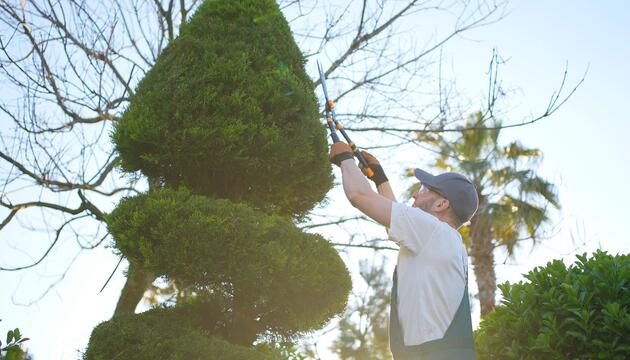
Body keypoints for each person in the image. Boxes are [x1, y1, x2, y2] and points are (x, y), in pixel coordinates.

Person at [329, 141, 479, 360]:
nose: (415, 196)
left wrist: (345, 159)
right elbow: (395, 221)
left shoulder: (432, 231)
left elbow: (358, 195)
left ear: (441, 205)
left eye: (424, 190)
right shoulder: (439, 240)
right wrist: (379, 179)